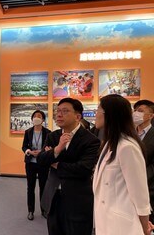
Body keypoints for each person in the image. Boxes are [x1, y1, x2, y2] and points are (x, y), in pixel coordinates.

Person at [37, 98, 100, 235]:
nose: (59, 115)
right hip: (53, 196)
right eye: (58, 111)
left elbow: (83, 169)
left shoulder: (91, 140)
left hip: (77, 199)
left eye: (65, 111)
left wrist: (55, 163)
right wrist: (57, 149)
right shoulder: (53, 136)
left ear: (78, 116)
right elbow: (41, 160)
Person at [93, 94, 152, 235]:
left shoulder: (127, 147)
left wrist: (144, 226)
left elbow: (140, 194)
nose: (96, 114)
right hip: (105, 219)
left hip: (122, 224)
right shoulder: (109, 143)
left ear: (109, 114)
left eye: (98, 109)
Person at [22, 110, 51, 220]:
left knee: (43, 187)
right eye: (34, 116)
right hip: (30, 163)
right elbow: (24, 146)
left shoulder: (48, 132)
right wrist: (29, 151)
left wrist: (41, 152)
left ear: (43, 119)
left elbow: (49, 147)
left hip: (43, 163)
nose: (36, 118)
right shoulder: (28, 132)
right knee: (30, 187)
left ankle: (44, 210)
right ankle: (30, 211)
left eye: (39, 116)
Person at [133, 99, 154, 223]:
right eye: (135, 110)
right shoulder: (129, 134)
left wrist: (139, 177)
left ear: (151, 115)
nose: (136, 113)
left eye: (140, 111)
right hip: (128, 190)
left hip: (148, 187)